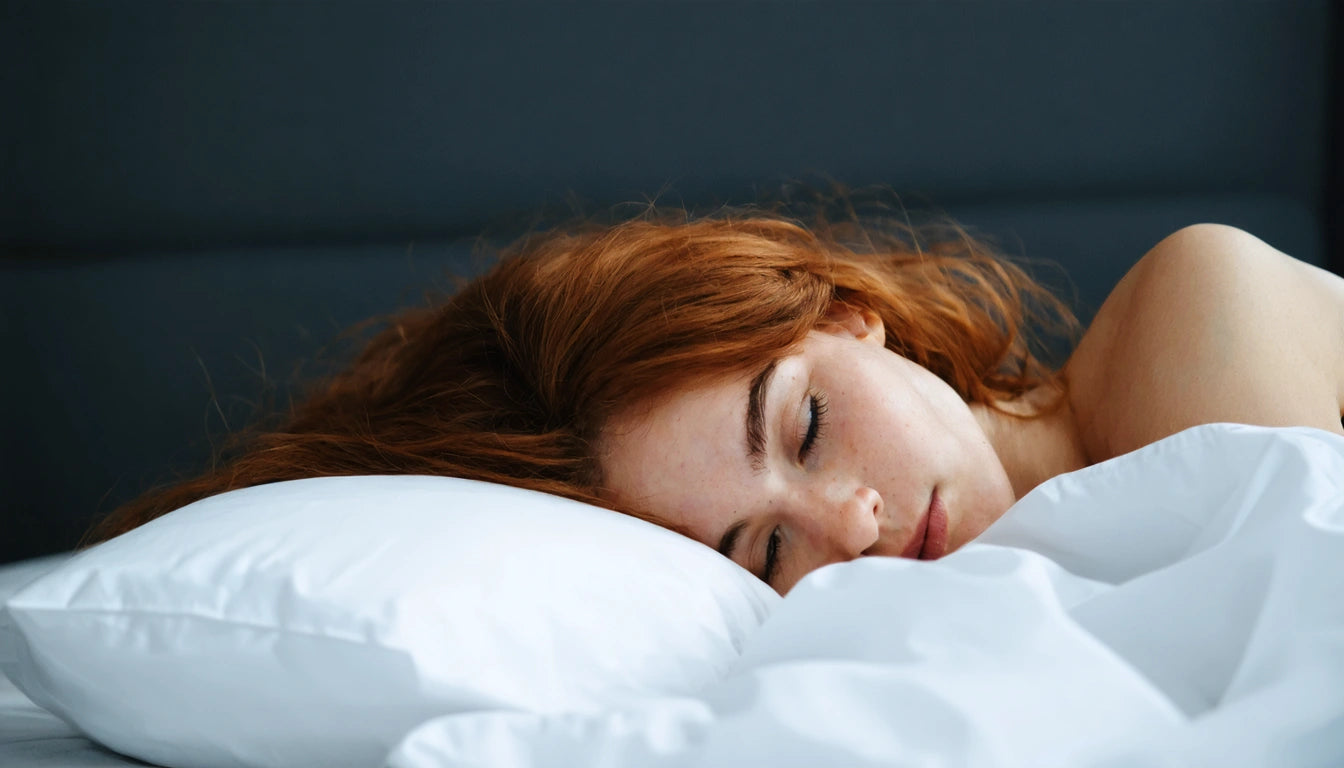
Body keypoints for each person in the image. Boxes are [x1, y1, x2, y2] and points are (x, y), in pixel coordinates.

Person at [84, 194, 1344, 594]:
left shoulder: (1199, 317)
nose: (851, 524)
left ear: (852, 313)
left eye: (802, 421)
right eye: (764, 551)